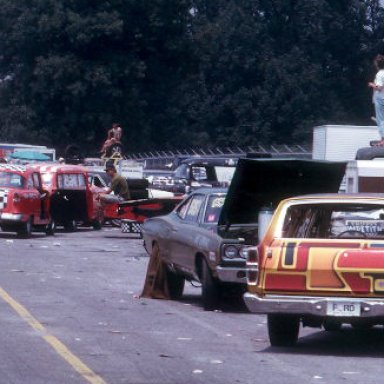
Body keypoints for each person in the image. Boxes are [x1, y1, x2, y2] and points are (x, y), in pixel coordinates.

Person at [368, 54, 384, 146]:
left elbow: (379, 87)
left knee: (381, 120)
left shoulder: (380, 74)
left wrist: (371, 85)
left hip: (381, 99)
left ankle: (383, 140)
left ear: (377, 64)